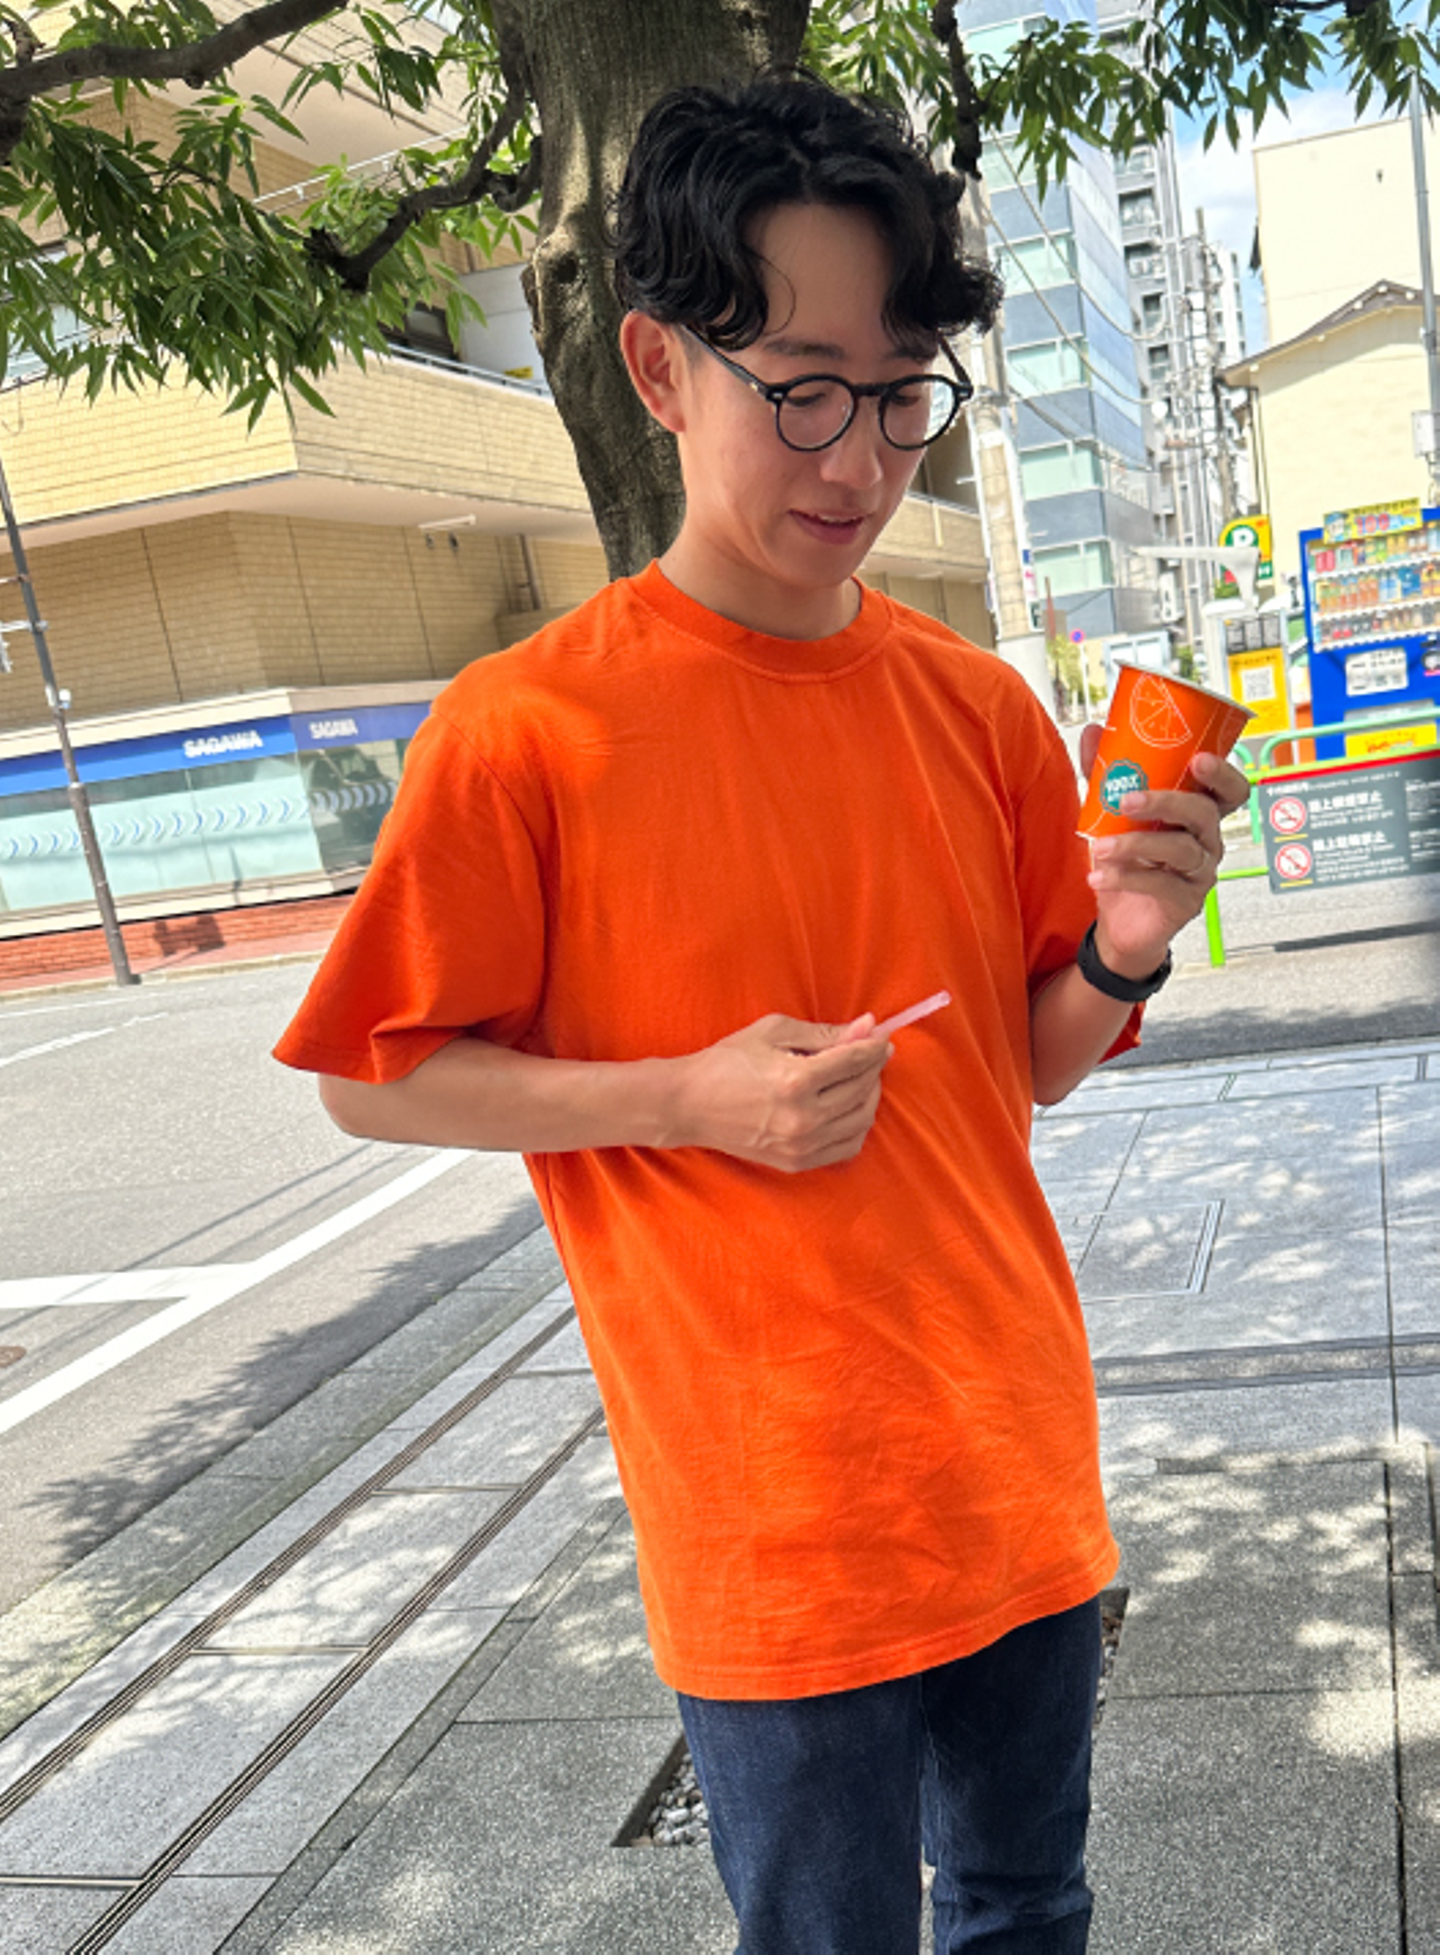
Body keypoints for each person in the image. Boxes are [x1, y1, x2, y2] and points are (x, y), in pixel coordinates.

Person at [274, 74, 1248, 1954]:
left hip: (1014, 1465)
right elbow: (374, 1083)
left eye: (897, 395)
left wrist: (1126, 938)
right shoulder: (527, 732)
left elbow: (1024, 1068)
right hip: (768, 1521)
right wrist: (685, 1096)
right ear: (659, 367)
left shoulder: (974, 705)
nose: (858, 460)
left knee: (1029, 1904)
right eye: (800, 387)